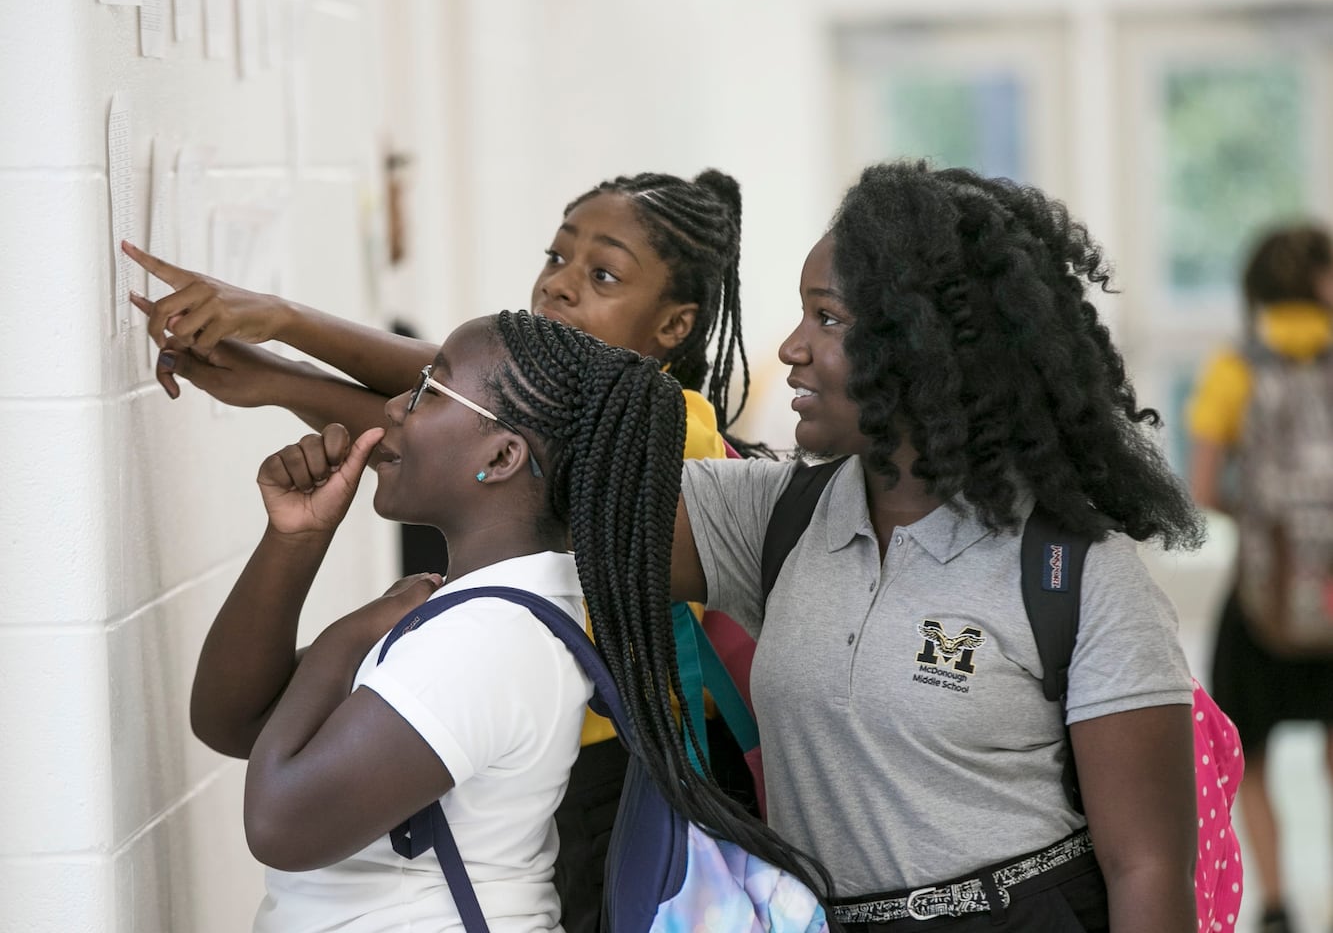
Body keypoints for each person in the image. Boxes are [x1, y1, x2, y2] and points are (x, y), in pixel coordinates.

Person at [125, 168, 764, 931]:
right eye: (555, 257)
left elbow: (279, 824)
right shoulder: (477, 588)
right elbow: (474, 412)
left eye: (601, 274)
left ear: (673, 325)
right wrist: (283, 394)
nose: (560, 285)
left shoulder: (666, 437)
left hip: (604, 789)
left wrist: (284, 344)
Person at [668, 160, 1206, 931]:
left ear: (921, 348)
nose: (790, 348)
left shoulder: (1078, 574)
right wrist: (444, 371)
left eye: (827, 318)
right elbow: (556, 479)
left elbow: (1147, 868)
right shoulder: (774, 517)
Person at [207, 309, 828, 932]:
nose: (394, 406)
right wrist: (296, 542)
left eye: (428, 389)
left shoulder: (486, 641)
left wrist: (348, 635)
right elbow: (242, 722)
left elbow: (280, 825)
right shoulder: (485, 610)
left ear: (502, 457)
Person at [1187, 223, 1333, 933]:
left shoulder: (1234, 366)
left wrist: (1263, 519)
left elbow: (1204, 484)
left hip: (1261, 599)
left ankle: (1275, 906)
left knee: (1253, 755)